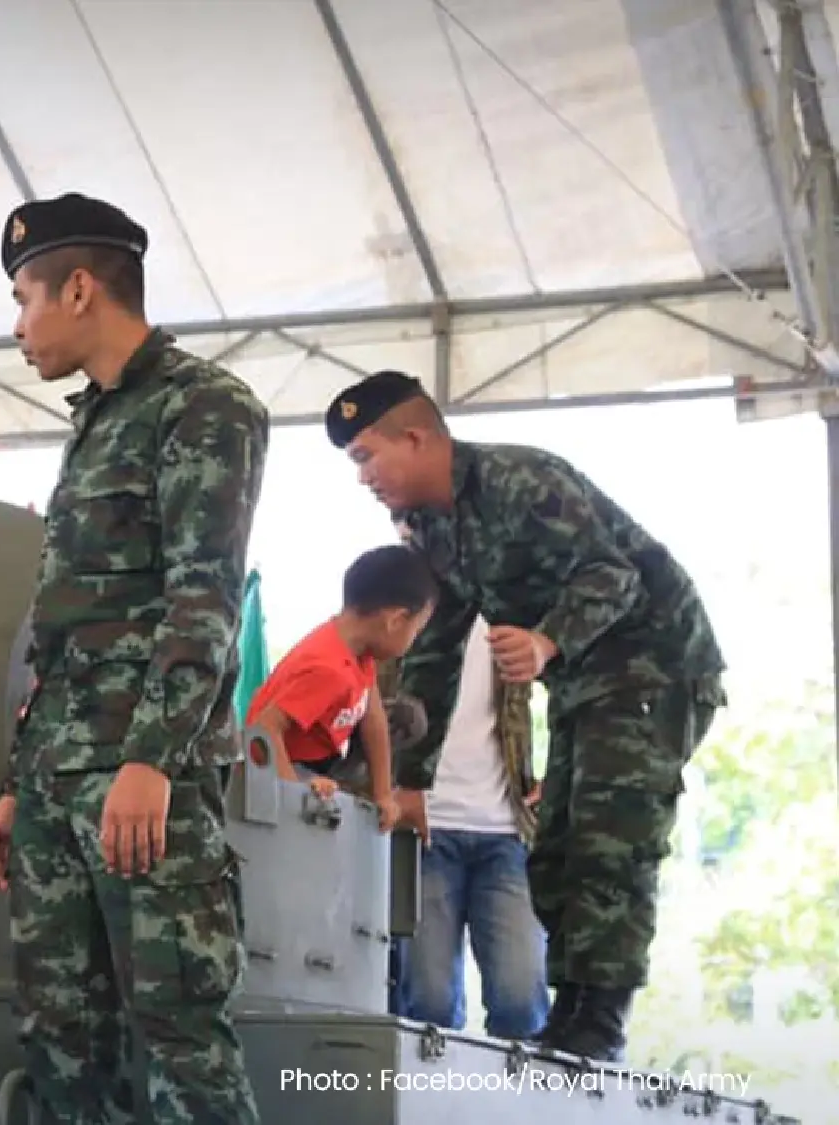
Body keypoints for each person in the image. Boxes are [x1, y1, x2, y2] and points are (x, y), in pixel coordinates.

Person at [325, 369, 724, 1062]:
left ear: (415, 438)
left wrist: (545, 640)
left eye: (366, 456)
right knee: (559, 846)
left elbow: (614, 575)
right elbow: (435, 650)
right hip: (583, 683)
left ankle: (599, 1022)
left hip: (655, 664)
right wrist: (412, 779)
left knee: (609, 844)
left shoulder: (519, 482)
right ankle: (571, 1015)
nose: (362, 478)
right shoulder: (431, 528)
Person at [0, 193, 266, 1124]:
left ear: (79, 288)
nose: (17, 326)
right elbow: (67, 628)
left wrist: (152, 759)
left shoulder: (204, 406)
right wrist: (22, 782)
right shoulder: (95, 420)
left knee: (181, 1038)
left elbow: (203, 596)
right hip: (58, 780)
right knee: (62, 1043)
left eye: (24, 298)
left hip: (141, 781)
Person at [385, 613, 549, 1040]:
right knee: (428, 1005)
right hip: (421, 829)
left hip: (507, 829)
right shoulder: (404, 607)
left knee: (522, 1001)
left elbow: (585, 680)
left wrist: (565, 773)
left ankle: (521, 1090)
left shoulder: (515, 605)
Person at [242, 544, 431, 830]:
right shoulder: (328, 669)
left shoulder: (360, 652)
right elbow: (263, 729)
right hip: (282, 764)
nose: (413, 640)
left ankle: (349, 794)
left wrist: (383, 794)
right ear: (396, 621)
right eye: (416, 630)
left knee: (410, 718)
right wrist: (297, 797)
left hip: (323, 758)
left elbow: (374, 718)